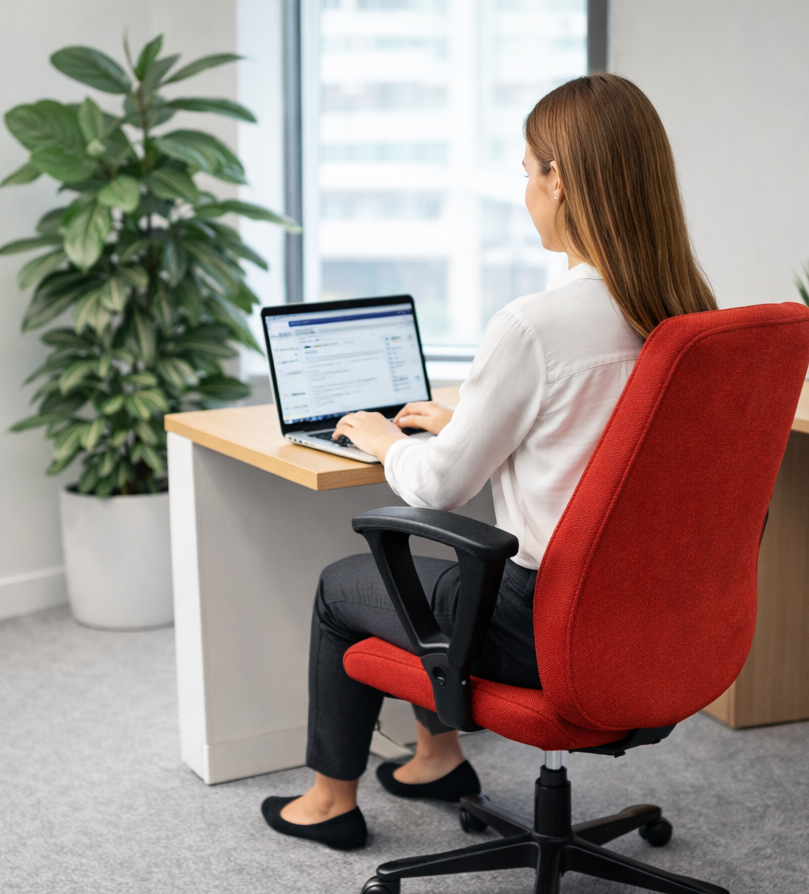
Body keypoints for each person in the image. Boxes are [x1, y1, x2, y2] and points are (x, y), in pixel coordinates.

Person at [261, 73, 717, 850]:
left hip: (545, 626)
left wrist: (386, 440)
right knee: (443, 583)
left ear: (559, 181)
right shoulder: (693, 316)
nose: (525, 190)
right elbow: (613, 443)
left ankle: (328, 802)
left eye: (527, 170)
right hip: (660, 618)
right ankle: (437, 759)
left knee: (345, 587)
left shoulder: (535, 325)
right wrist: (470, 420)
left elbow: (440, 486)